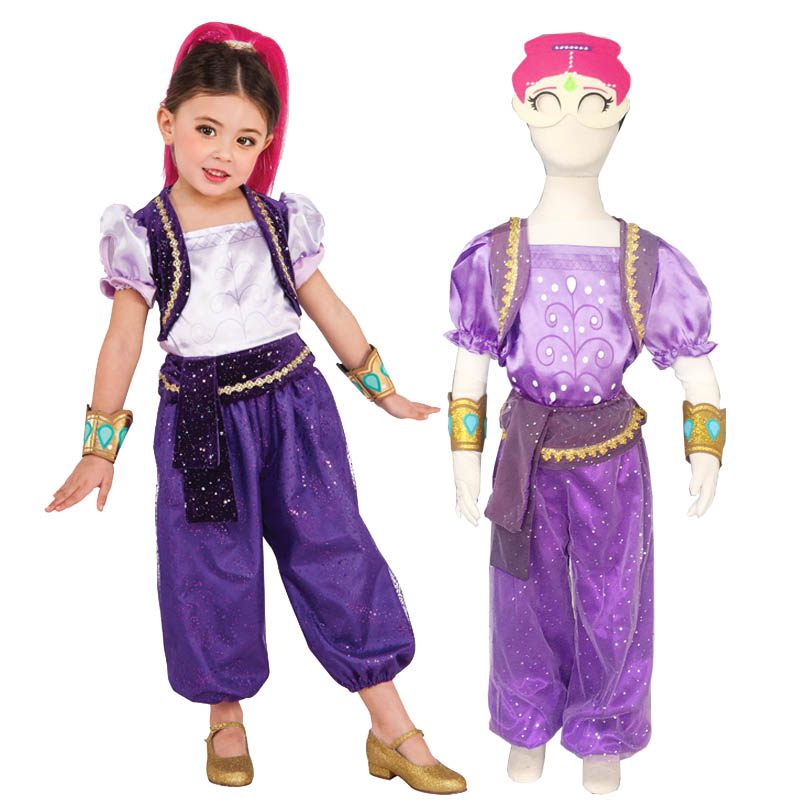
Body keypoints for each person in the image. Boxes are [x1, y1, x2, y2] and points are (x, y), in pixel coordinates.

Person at [45, 21, 465, 794]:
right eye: (206, 129)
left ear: (266, 144)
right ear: (167, 121)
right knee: (211, 564)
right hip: (200, 423)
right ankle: (225, 716)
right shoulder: (145, 235)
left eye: (244, 139)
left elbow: (327, 306)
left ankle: (391, 724)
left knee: (334, 548)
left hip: (296, 410)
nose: (222, 153)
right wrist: (99, 447)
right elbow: (123, 341)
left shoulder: (277, 220)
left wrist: (379, 388)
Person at [445, 32, 724, 794]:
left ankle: (605, 728)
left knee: (615, 598)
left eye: (593, 103)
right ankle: (526, 721)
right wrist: (464, 459)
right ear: (522, 109)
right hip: (525, 456)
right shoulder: (496, 256)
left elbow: (696, 370)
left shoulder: (647, 258)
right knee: (520, 596)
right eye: (549, 101)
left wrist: (706, 447)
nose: (570, 120)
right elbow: (469, 368)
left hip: (613, 456)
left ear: (622, 112)